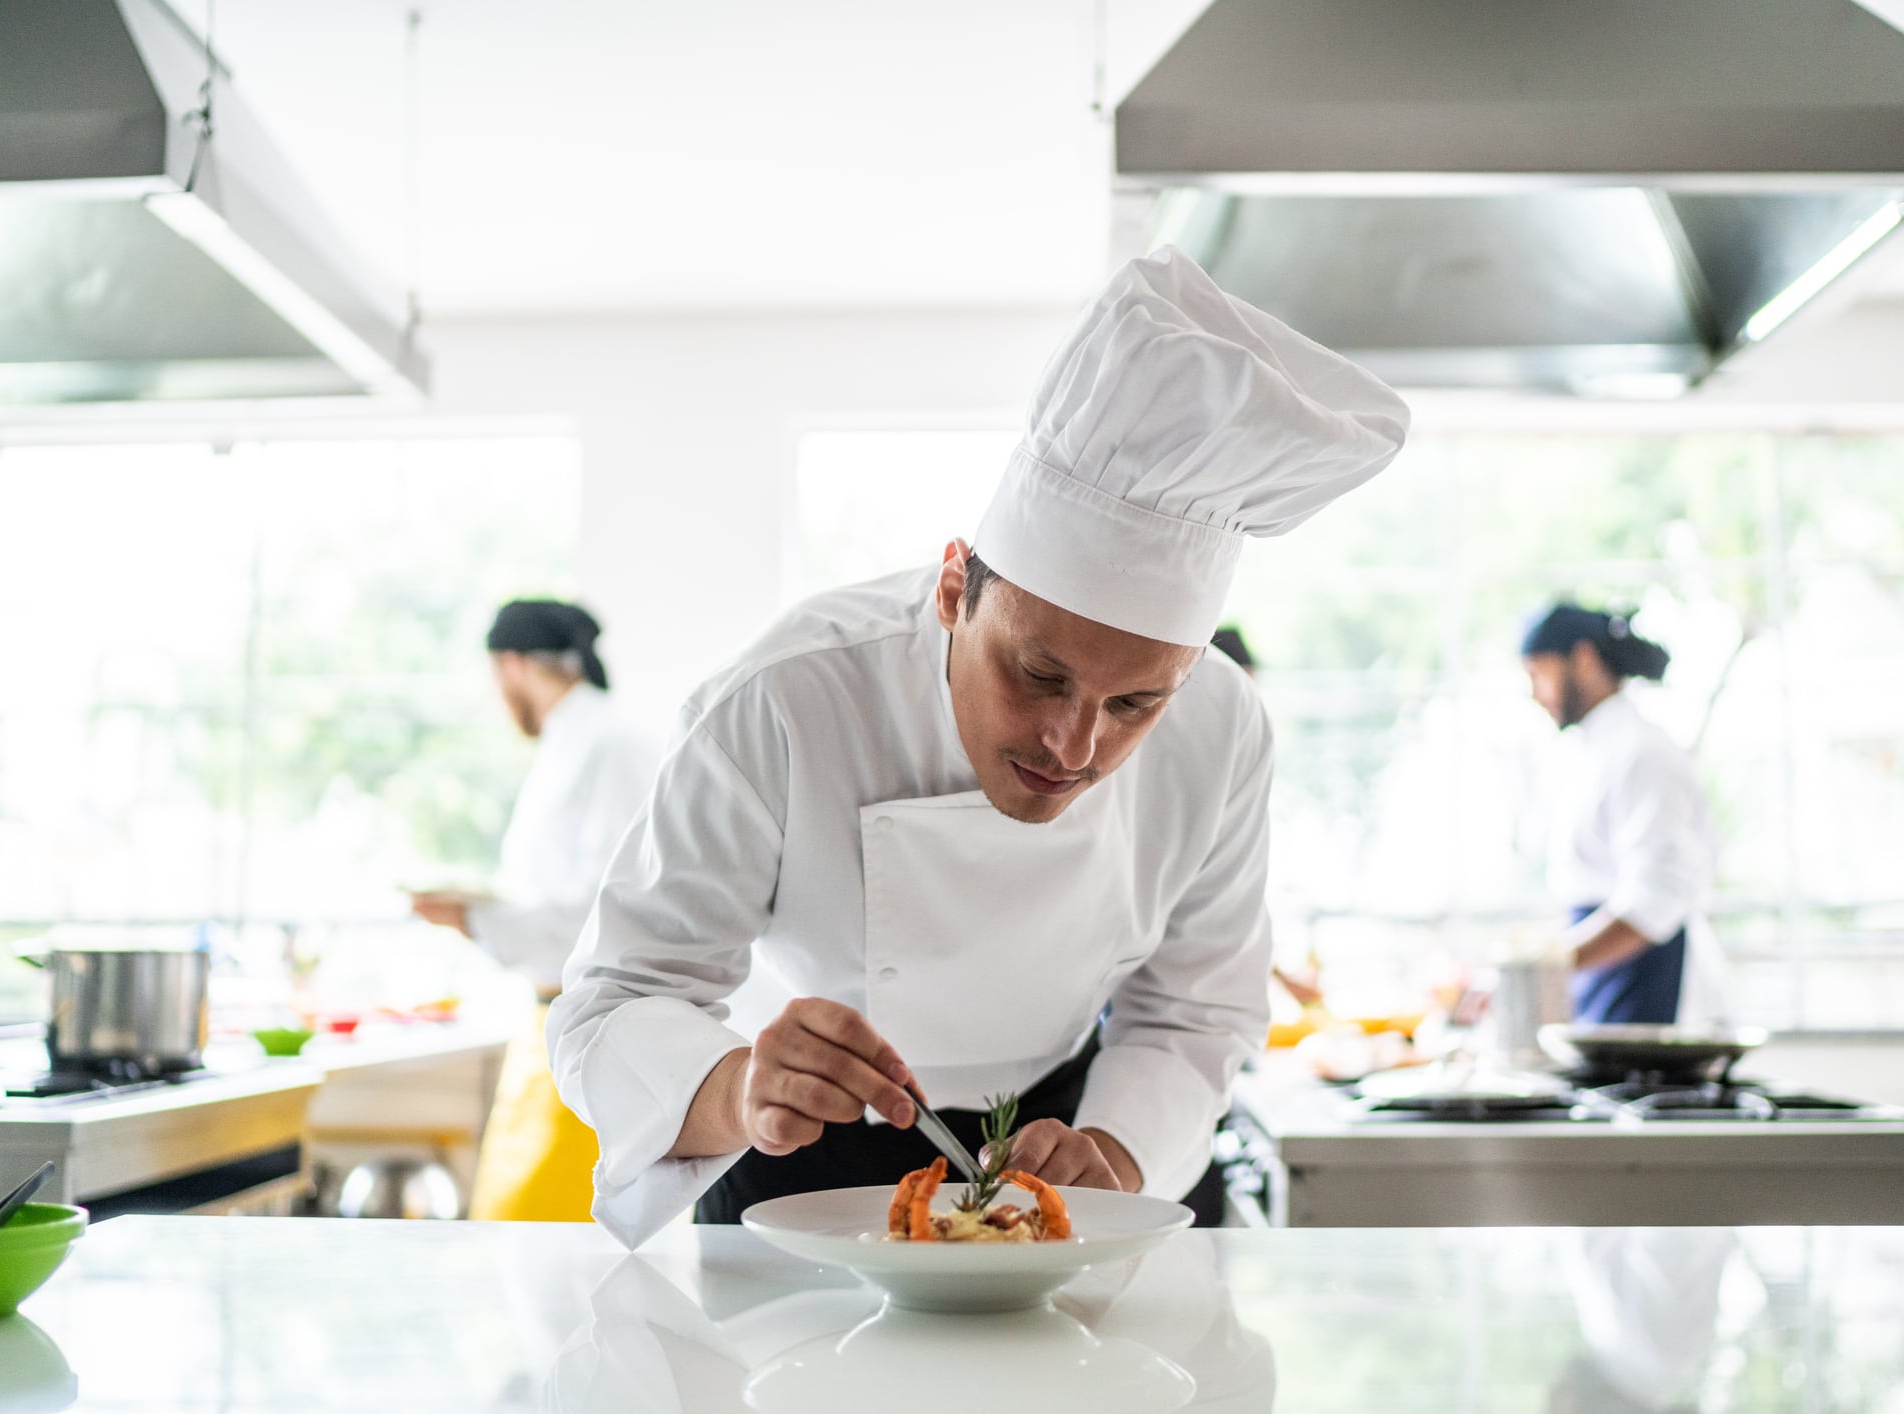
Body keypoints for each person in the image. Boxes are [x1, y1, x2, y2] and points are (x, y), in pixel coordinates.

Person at [548, 247, 1410, 1243]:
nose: (1074, 745)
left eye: (1135, 703)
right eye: (1038, 675)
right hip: (802, 1150)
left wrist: (1118, 1152)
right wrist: (740, 1088)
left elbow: (1194, 1013)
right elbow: (611, 1005)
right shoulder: (785, 700)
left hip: (1068, 1143)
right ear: (954, 588)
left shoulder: (1221, 725)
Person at [411, 598, 658, 1220]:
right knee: (516, 1241)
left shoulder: (611, 744)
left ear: (512, 666)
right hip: (547, 1028)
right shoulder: (569, 744)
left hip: (596, 1037)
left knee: (554, 1249)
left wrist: (473, 918)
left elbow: (608, 913)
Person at [1521, 604, 1724, 1026]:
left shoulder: (1642, 751)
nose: (1535, 694)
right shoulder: (1588, 753)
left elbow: (1656, 900)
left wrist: (1542, 968)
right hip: (1607, 989)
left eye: (1539, 674)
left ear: (1583, 658)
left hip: (1653, 990)